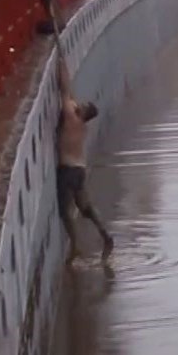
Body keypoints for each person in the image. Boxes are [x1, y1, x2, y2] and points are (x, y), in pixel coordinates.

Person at [55, 53, 114, 263]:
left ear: (83, 112)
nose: (81, 103)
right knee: (85, 207)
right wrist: (63, 62)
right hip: (80, 169)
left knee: (64, 211)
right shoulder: (80, 126)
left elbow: (65, 92)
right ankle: (105, 234)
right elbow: (70, 94)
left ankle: (75, 245)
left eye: (84, 105)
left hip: (67, 171)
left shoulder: (71, 117)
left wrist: (61, 67)